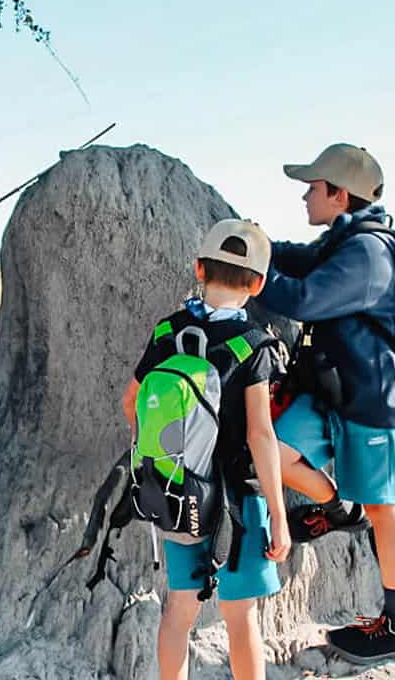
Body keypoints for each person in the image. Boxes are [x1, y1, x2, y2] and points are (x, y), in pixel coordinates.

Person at [261, 143, 395, 665]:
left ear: (339, 193)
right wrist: (256, 247)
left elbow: (306, 298)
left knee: (384, 510)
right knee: (271, 449)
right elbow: (299, 259)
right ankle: (337, 507)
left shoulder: (368, 253)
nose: (306, 195)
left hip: (370, 401)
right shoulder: (342, 240)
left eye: (313, 186)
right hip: (331, 392)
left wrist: (250, 280)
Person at [121, 219, 291, 680]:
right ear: (257, 284)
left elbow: (130, 402)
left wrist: (169, 454)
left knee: (179, 610)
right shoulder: (256, 345)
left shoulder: (166, 333)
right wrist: (278, 512)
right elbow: (260, 435)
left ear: (199, 268)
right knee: (241, 617)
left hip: (178, 494)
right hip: (239, 501)